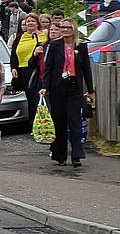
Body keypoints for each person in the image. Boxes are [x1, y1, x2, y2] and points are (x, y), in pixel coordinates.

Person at [39, 18, 93, 168]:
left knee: (74, 122)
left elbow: (86, 69)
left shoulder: (81, 46)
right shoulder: (55, 45)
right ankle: (60, 155)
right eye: (62, 27)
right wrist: (45, 86)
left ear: (73, 29)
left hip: (74, 88)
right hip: (57, 88)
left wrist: (90, 90)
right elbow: (49, 68)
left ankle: (76, 155)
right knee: (59, 123)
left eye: (67, 27)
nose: (64, 30)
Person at [10, 13, 46, 123]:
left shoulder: (43, 36)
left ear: (37, 23)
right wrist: (13, 67)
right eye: (28, 21)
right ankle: (33, 124)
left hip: (39, 70)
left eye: (33, 21)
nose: (30, 23)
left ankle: (44, 123)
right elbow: (14, 54)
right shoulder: (20, 37)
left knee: (38, 97)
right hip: (24, 70)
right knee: (30, 99)